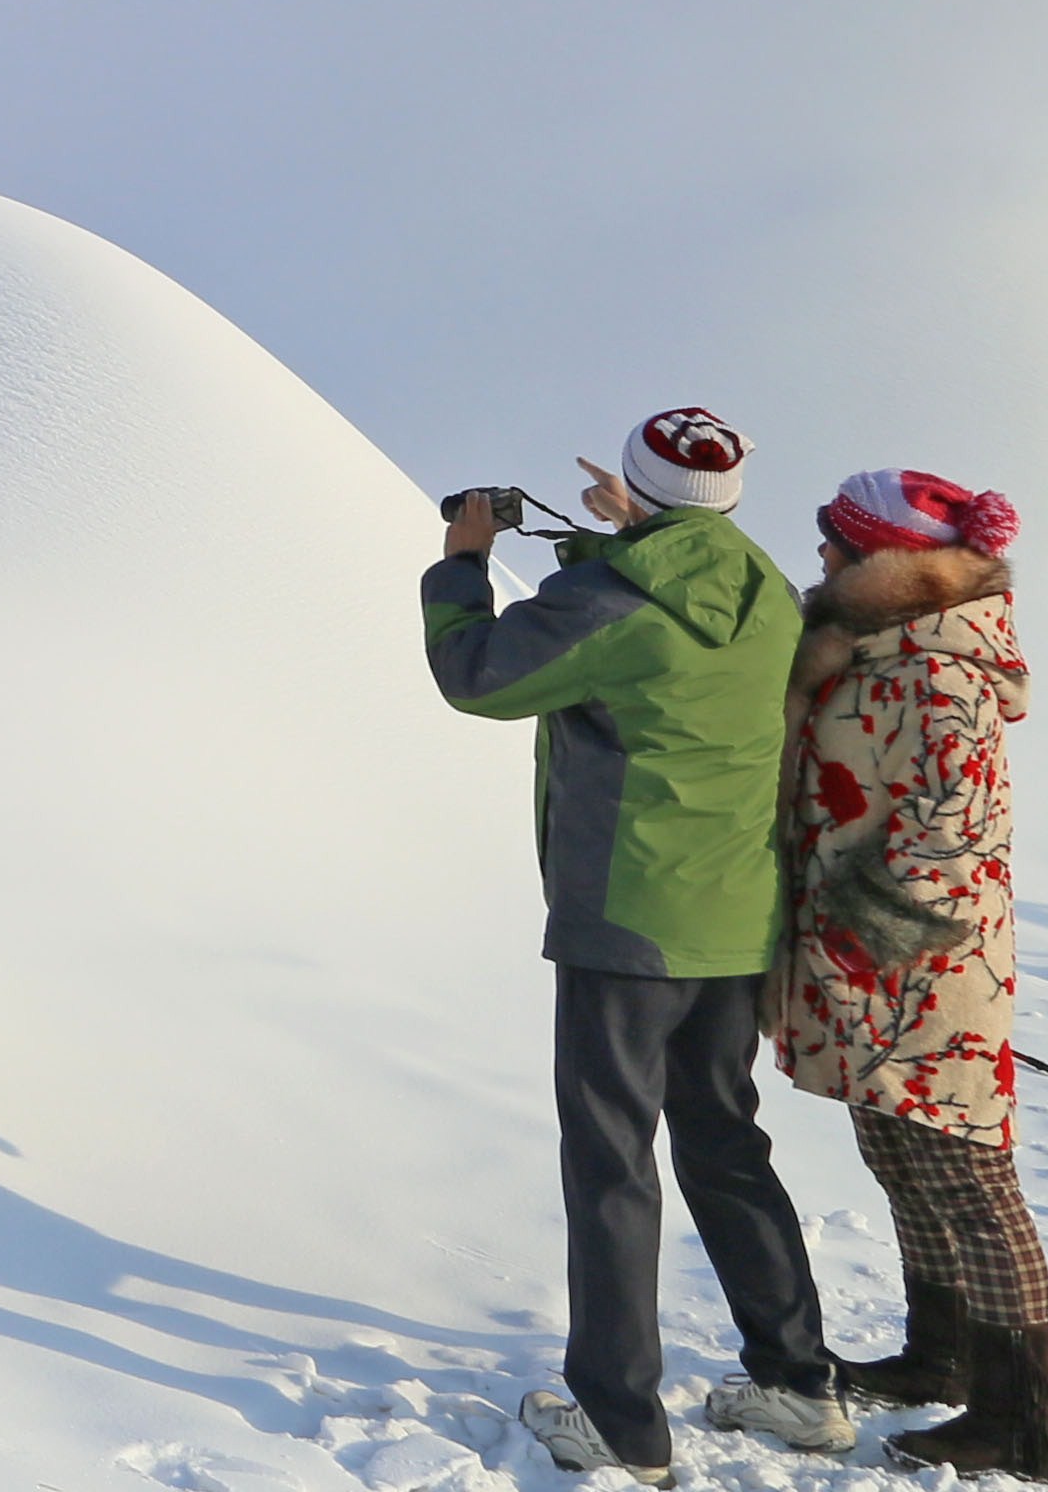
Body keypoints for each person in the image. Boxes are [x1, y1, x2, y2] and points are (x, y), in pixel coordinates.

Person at [421, 407, 854, 1480]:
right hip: (736, 914)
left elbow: (481, 676)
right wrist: (630, 532)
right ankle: (800, 1383)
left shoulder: (605, 597)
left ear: (630, 483)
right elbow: (664, 592)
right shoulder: (758, 591)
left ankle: (620, 1420)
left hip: (627, 919)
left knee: (613, 1163)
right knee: (723, 1138)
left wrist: (463, 566)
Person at [774, 469, 1048, 1480]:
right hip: (878, 970)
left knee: (972, 1182)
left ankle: (1017, 1419)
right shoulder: (879, 648)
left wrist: (861, 922)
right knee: (899, 1159)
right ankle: (936, 1355)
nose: (820, 553)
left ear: (888, 559)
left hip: (925, 974)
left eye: (835, 538)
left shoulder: (939, 671)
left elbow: (962, 819)